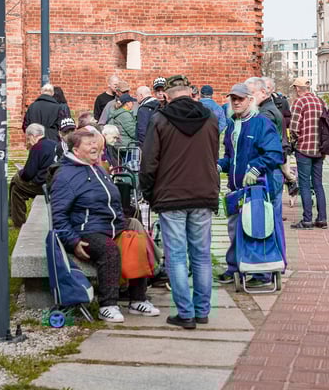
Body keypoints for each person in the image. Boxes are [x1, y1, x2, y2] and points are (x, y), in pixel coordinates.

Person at [50, 127, 160, 323]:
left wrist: (122, 224)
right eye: (89, 144)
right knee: (109, 250)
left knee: (136, 240)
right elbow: (58, 216)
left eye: (95, 143)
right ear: (76, 150)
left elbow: (113, 202)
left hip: (110, 226)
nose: (95, 146)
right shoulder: (66, 176)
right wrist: (73, 241)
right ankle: (107, 304)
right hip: (86, 231)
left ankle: (137, 299)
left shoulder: (97, 168)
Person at [140, 84, 219, 329]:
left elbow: (149, 160)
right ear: (192, 95)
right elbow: (213, 155)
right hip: (204, 192)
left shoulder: (160, 119)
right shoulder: (211, 118)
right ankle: (202, 310)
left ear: (167, 97)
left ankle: (185, 313)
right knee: (202, 255)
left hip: (171, 194)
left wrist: (148, 191)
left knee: (176, 255)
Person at [215, 83, 283, 285]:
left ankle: (262, 272)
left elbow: (274, 153)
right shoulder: (231, 126)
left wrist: (256, 168)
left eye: (240, 99)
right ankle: (235, 267)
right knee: (235, 227)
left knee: (257, 228)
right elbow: (230, 157)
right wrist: (219, 166)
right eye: (233, 99)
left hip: (258, 189)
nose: (236, 102)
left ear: (250, 100)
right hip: (237, 188)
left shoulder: (261, 123)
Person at [244, 77, 287, 285]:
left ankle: (268, 269)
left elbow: (273, 151)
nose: (248, 98)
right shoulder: (266, 111)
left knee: (267, 221)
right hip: (271, 172)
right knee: (272, 220)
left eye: (251, 94)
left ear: (264, 93)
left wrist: (256, 166)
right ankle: (276, 264)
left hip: (268, 174)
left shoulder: (265, 114)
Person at [289, 77, 328, 229]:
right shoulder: (320, 102)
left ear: (298, 89)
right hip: (319, 150)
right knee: (318, 184)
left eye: (295, 88)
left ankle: (307, 220)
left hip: (304, 149)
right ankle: (322, 219)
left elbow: (293, 127)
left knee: (304, 184)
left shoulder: (300, 102)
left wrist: (296, 140)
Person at [9, 123, 58, 228]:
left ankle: (17, 223)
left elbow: (28, 174)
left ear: (32, 136)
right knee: (16, 189)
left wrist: (20, 172)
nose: (28, 142)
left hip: (42, 185)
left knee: (16, 180)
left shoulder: (37, 147)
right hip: (56, 183)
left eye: (27, 139)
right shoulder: (54, 144)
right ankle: (12, 216)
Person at [263, 77, 299, 196]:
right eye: (263, 87)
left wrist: (281, 119)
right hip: (268, 143)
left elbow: (289, 118)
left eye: (267, 87)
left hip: (282, 139)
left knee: (285, 170)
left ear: (272, 89)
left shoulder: (281, 102)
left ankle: (292, 181)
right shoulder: (257, 103)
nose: (265, 90)